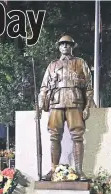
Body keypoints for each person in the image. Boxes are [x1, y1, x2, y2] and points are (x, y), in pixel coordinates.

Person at [38, 35, 96, 181]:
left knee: (77, 136)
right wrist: (40, 104)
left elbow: (89, 87)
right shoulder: (52, 65)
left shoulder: (80, 63)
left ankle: (79, 170)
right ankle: (53, 170)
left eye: (68, 44)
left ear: (72, 46)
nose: (65, 46)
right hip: (56, 103)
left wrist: (87, 106)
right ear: (59, 47)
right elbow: (44, 87)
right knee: (54, 137)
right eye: (62, 44)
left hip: (75, 102)